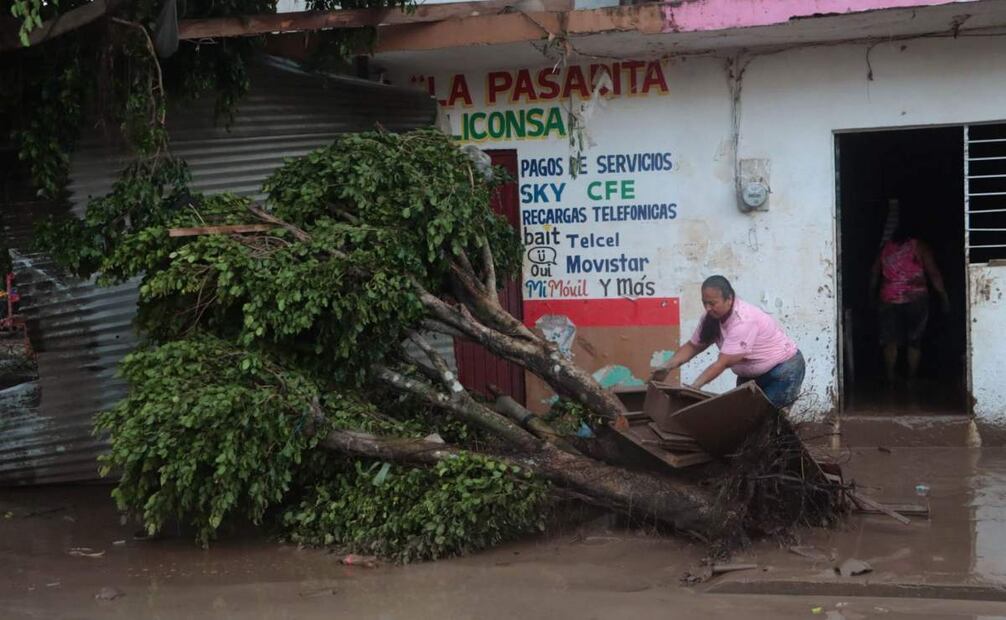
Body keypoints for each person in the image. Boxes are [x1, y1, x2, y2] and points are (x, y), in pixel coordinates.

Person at [651, 275, 805, 409]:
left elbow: (722, 363)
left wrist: (694, 387)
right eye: (704, 303)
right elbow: (693, 346)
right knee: (742, 419)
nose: (708, 308)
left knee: (766, 420)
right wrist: (668, 366)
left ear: (729, 299)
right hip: (751, 377)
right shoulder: (710, 318)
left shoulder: (743, 320)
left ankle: (785, 442)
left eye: (713, 303)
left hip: (783, 371)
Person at [869, 219, 949, 384]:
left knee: (890, 340)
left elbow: (874, 274)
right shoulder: (920, 246)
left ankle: (890, 376)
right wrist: (944, 297)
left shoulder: (885, 248)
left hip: (888, 299)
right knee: (915, 339)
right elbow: (934, 274)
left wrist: (871, 295)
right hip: (916, 299)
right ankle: (912, 377)